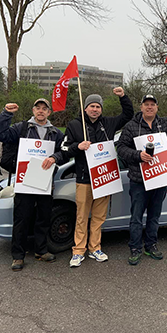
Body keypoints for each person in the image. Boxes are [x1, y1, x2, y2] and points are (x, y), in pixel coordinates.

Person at [117, 91, 167, 265]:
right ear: (141, 107)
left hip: (160, 179)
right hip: (139, 181)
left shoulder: (166, 123)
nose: (149, 107)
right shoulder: (131, 126)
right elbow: (121, 148)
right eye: (146, 104)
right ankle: (135, 248)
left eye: (152, 104)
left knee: (154, 216)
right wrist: (138, 155)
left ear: (157, 107)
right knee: (136, 217)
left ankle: (151, 245)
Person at [62, 88, 134, 267]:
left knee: (99, 217)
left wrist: (123, 97)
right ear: (85, 108)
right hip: (84, 179)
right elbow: (64, 149)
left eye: (98, 106)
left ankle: (95, 248)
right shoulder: (74, 125)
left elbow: (128, 114)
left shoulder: (108, 123)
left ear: (101, 109)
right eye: (92, 106)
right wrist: (78, 147)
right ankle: (78, 251)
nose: (95, 109)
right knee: (81, 217)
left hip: (104, 179)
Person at [0, 98, 65, 271]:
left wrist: (55, 157)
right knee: (21, 219)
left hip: (45, 183)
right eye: (38, 108)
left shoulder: (56, 133)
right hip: (24, 182)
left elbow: (64, 152)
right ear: (33, 110)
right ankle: (18, 256)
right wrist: (6, 114)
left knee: (43, 219)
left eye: (44, 109)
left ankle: (41, 250)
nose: (41, 111)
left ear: (49, 112)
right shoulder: (21, 128)